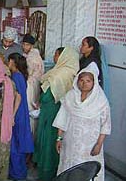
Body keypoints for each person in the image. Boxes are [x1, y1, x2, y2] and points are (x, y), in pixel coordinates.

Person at [53, 63, 111, 181]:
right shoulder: (70, 96)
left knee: (87, 171)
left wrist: (99, 144)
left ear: (94, 82)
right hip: (70, 143)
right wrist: (59, 138)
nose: (84, 84)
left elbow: (106, 124)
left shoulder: (100, 100)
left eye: (88, 81)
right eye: (81, 80)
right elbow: (62, 118)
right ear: (77, 81)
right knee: (69, 169)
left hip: (90, 145)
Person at [33, 47, 79, 181]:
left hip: (52, 113)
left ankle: (46, 174)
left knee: (48, 142)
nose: (54, 57)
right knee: (54, 141)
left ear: (63, 57)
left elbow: (47, 96)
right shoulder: (70, 72)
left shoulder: (59, 74)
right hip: (59, 112)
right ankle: (54, 171)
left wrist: (40, 100)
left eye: (56, 54)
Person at [7, 53, 34, 180]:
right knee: (19, 143)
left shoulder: (16, 77)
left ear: (13, 62)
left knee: (15, 145)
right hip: (22, 112)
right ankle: (19, 172)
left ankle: (17, 173)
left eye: (9, 61)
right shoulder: (21, 76)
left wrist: (12, 115)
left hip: (16, 112)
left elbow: (18, 96)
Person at [22, 34, 44, 136]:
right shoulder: (31, 55)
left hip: (31, 85)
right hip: (33, 84)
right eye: (23, 44)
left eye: (27, 45)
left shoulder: (32, 57)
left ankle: (29, 135)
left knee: (30, 108)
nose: (24, 47)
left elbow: (30, 72)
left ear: (31, 46)